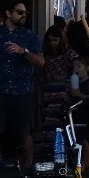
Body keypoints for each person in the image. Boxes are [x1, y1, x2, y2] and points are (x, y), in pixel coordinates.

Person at [0, 0, 44, 178]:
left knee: (23, 130)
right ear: (8, 13)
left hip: (22, 90)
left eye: (25, 13)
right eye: (20, 12)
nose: (24, 16)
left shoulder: (29, 35)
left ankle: (27, 168)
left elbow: (41, 62)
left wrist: (24, 51)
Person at [36, 23, 81, 158]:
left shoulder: (69, 54)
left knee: (66, 126)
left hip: (64, 95)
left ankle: (66, 156)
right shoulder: (44, 57)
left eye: (55, 40)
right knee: (50, 128)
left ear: (61, 40)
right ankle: (52, 155)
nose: (52, 43)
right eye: (50, 40)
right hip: (49, 96)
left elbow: (77, 69)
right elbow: (40, 78)